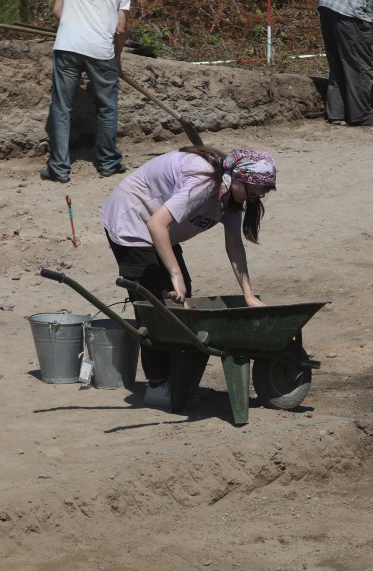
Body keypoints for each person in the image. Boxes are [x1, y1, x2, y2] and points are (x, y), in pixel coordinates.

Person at [100, 146, 276, 407]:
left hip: (161, 229)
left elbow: (234, 245)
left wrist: (248, 294)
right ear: (239, 179)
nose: (259, 196)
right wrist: (175, 273)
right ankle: (158, 385)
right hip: (133, 219)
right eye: (258, 189)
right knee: (157, 306)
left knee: (182, 300)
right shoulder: (203, 183)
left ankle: (177, 382)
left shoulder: (230, 197)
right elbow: (155, 224)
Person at [42, 0, 131, 183]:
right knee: (106, 107)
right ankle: (109, 163)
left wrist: (75, 27)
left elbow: (57, 9)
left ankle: (59, 169)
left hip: (68, 46)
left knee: (62, 107)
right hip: (101, 50)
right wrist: (117, 59)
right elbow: (120, 28)